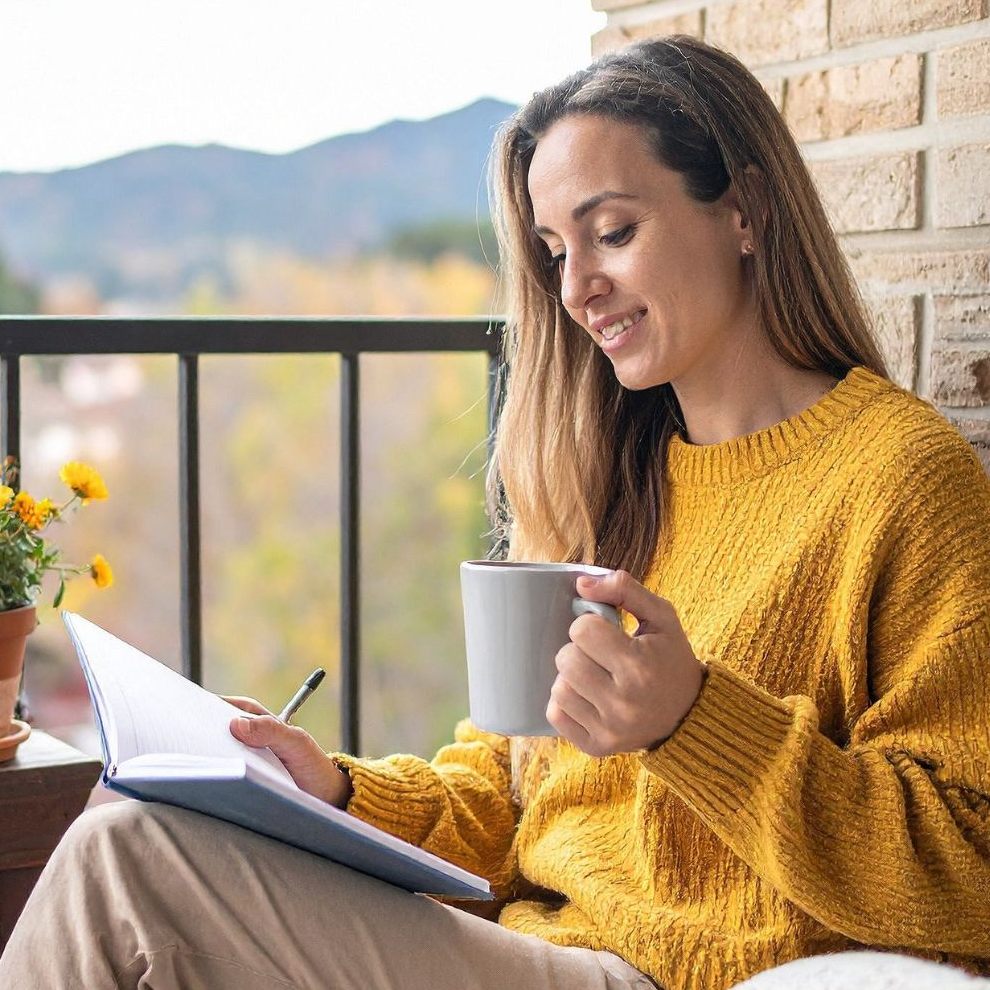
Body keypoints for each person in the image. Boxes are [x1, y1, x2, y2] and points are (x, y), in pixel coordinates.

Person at [2, 34, 990, 990]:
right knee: (134, 834)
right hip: (537, 952)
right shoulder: (611, 483)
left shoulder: (901, 482)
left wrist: (695, 720)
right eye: (556, 250)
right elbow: (506, 793)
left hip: (668, 973)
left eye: (612, 233)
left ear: (746, 211)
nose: (578, 287)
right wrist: (331, 789)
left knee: (126, 862)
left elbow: (968, 867)